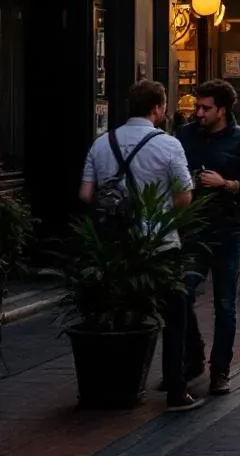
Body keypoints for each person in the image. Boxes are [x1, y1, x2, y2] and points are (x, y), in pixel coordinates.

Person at [79, 80, 199, 411]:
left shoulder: (102, 143)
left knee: (120, 313)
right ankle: (176, 388)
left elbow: (86, 195)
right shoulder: (169, 145)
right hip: (160, 243)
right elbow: (185, 196)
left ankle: (117, 385)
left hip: (115, 247)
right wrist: (159, 214)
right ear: (158, 108)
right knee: (175, 315)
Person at [174, 79, 240, 396]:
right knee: (182, 294)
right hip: (192, 228)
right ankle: (194, 355)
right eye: (198, 106)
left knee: (225, 304)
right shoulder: (184, 136)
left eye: (205, 108)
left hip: (227, 229)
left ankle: (220, 370)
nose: (198, 113)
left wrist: (226, 184)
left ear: (222, 110)